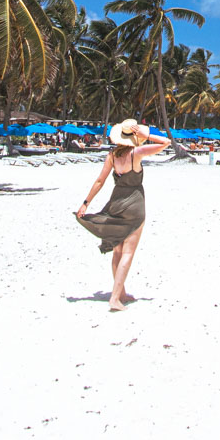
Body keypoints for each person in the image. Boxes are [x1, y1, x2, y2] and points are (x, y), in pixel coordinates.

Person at [75, 120, 170, 311]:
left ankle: (122, 293)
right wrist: (146, 134)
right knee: (128, 253)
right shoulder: (137, 153)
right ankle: (115, 298)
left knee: (118, 251)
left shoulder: (111, 155)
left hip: (116, 203)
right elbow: (166, 142)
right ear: (134, 137)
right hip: (135, 205)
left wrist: (85, 204)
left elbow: (100, 181)